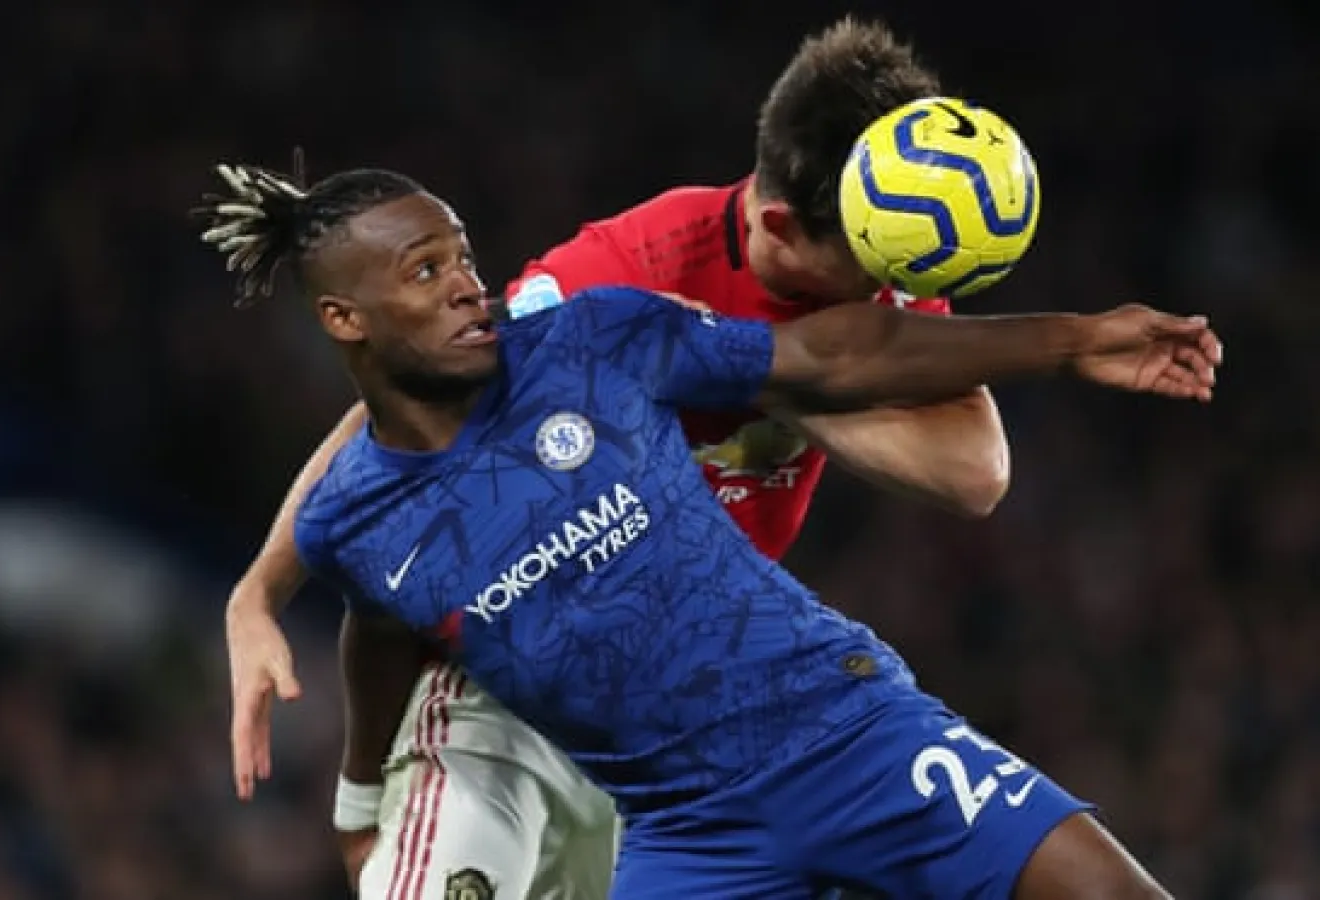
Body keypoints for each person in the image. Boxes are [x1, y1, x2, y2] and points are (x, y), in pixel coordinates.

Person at [194, 161, 1218, 898]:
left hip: (845, 730)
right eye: (425, 271)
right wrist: (360, 802)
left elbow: (839, 355)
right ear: (344, 321)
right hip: (691, 841)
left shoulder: (593, 341)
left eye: (463, 257)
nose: (467, 282)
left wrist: (1074, 340)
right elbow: (379, 634)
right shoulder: (351, 521)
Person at [223, 19, 1018, 898]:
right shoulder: (618, 273)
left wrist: (776, 372)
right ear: (783, 226)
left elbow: (973, 469)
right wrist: (261, 588)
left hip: (690, 717)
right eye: (864, 274)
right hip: (513, 693)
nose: (883, 295)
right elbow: (391, 416)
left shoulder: (886, 257)